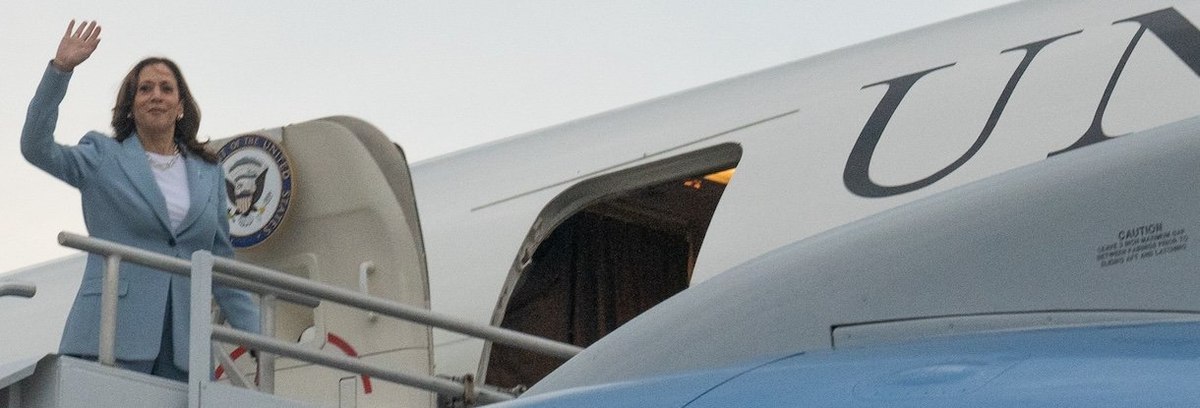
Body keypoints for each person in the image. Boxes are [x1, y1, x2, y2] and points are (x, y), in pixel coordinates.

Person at [21, 20, 260, 381]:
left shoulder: (209, 173)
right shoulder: (102, 156)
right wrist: (61, 70)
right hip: (109, 338)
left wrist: (259, 338)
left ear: (181, 105)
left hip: (183, 351)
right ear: (130, 106)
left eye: (166, 88)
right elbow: (35, 147)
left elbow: (221, 266)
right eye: (145, 89)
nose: (156, 95)